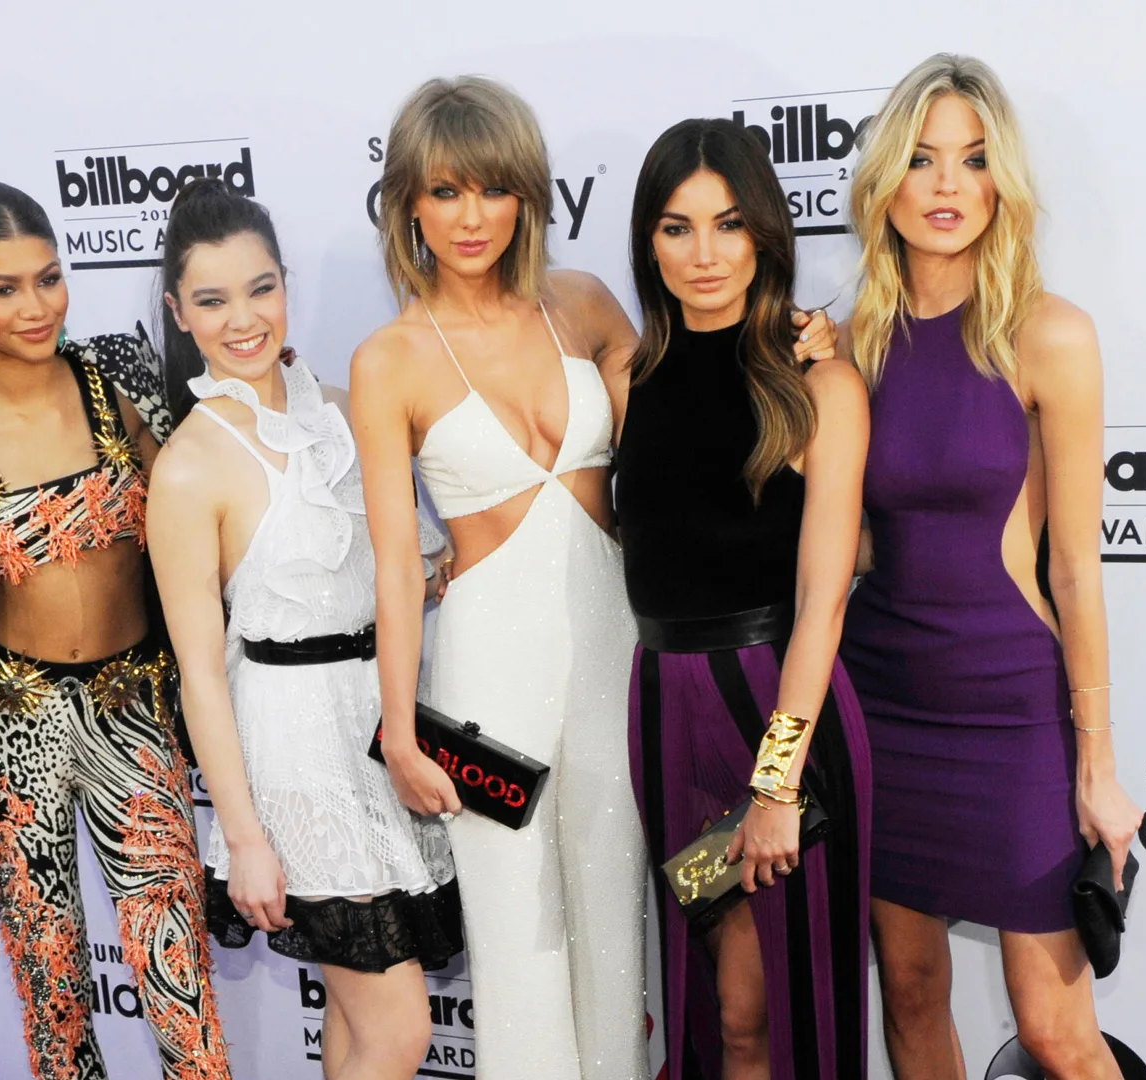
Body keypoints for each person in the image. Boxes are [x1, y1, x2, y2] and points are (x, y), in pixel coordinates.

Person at [0, 179, 230, 1080]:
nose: (37, 306)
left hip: (135, 712)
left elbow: (218, 498)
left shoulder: (124, 375)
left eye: (50, 277)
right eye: (3, 288)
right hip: (9, 731)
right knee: (53, 987)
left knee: (177, 979)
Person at [837, 55, 1144, 1080]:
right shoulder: (849, 346)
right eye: (922, 160)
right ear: (886, 180)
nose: (946, 186)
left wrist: (1096, 763)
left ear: (1001, 179)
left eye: (972, 160)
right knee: (912, 996)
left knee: (1057, 1031)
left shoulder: (1049, 336)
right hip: (882, 706)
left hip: (1011, 715)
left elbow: (1078, 569)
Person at [348, 75, 651, 1080]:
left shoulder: (583, 306)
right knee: (519, 937)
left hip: (615, 647)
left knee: (616, 917)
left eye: (491, 189)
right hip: (487, 675)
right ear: (409, 207)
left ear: (528, 195)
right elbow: (397, 560)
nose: (469, 217)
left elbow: (682, 425)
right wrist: (399, 727)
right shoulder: (390, 359)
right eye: (443, 192)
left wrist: (793, 354)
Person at [144, 178, 462, 1080]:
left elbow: (415, 563)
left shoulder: (339, 403)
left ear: (285, 284)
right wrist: (243, 837)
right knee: (399, 1028)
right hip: (293, 750)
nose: (242, 320)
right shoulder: (189, 466)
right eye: (211, 300)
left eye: (260, 288)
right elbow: (202, 674)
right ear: (178, 312)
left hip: (383, 718)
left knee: (360, 1026)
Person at [615, 118, 872, 1080]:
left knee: (766, 1012)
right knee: (707, 1012)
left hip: (777, 707)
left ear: (765, 231)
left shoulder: (819, 384)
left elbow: (823, 605)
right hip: (663, 711)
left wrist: (775, 783)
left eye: (728, 225)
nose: (705, 253)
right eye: (677, 228)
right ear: (647, 239)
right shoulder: (627, 373)